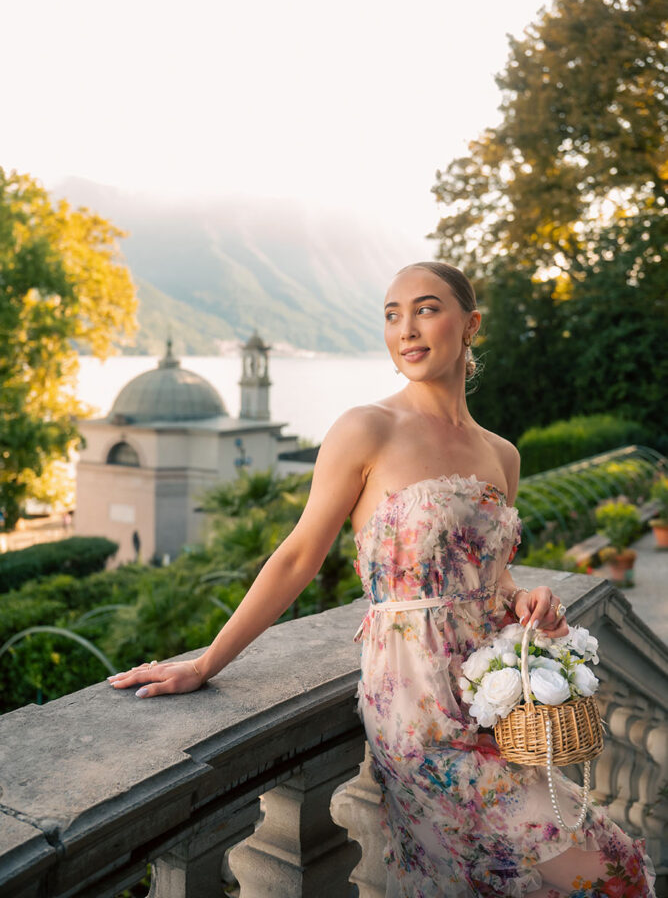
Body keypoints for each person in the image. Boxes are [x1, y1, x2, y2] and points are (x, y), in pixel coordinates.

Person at [108, 261, 656, 897]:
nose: (407, 328)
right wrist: (206, 664)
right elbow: (297, 556)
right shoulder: (365, 428)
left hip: (496, 703)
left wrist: (526, 600)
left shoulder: (501, 453)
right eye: (392, 315)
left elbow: (490, 576)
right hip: (416, 708)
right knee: (609, 875)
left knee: (583, 874)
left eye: (426, 308)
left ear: (470, 324)